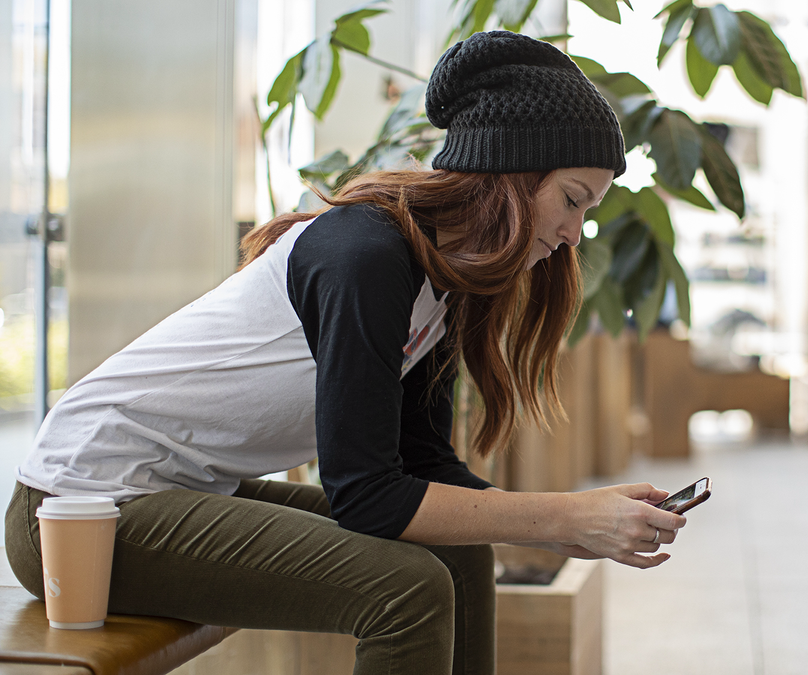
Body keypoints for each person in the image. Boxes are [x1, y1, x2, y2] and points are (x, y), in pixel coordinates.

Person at [6, 31, 686, 674]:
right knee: (406, 589)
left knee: (459, 556)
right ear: (507, 171)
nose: (573, 235)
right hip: (79, 512)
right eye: (572, 200)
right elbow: (368, 497)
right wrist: (564, 516)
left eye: (587, 212)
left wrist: (563, 523)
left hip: (174, 488)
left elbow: (422, 466)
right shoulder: (367, 254)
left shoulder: (442, 278)